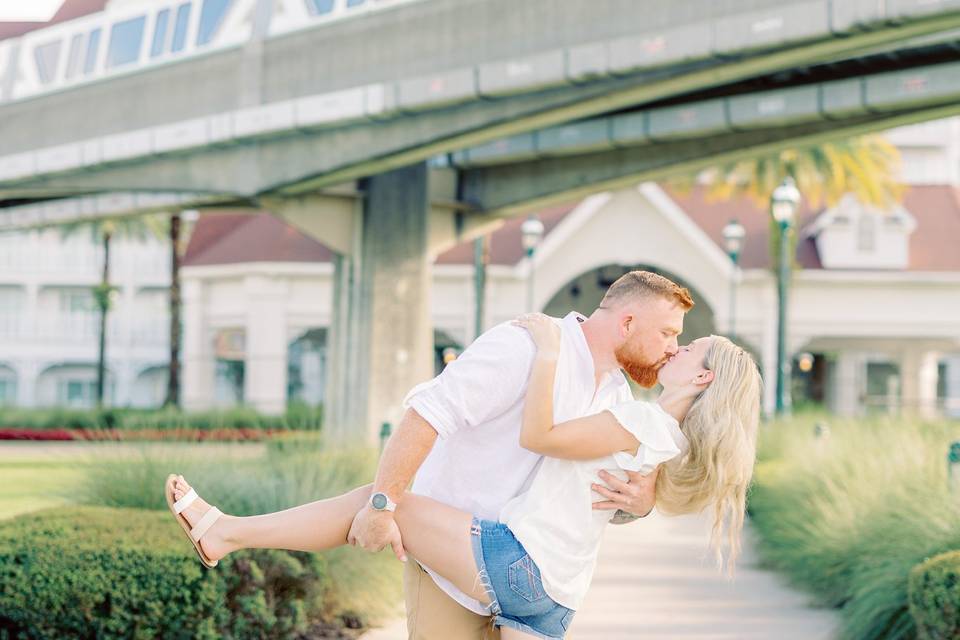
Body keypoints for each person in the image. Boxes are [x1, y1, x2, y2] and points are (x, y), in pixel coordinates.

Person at [166, 314, 763, 640]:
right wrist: (644, 500)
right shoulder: (657, 429)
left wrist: (549, 348)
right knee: (383, 501)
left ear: (702, 378)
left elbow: (542, 436)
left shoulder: (641, 420)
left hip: (521, 568)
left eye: (688, 349)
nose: (675, 349)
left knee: (384, 500)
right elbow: (623, 497)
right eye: (674, 337)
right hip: (550, 597)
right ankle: (226, 533)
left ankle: (226, 532)